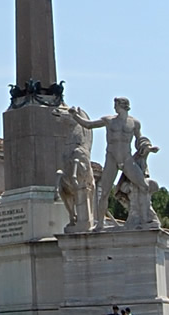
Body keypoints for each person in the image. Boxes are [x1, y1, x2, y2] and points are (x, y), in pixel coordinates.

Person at [67, 97, 157, 229]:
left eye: (116, 104)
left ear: (122, 105)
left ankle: (145, 218)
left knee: (143, 186)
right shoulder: (109, 120)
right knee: (104, 193)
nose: (114, 107)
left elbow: (140, 140)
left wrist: (148, 147)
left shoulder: (135, 123)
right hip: (111, 158)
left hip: (126, 159)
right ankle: (100, 224)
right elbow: (89, 124)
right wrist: (75, 116)